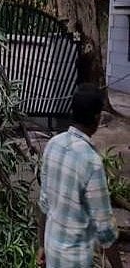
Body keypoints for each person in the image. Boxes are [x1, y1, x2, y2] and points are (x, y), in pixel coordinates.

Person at [37, 84, 123, 268]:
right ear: (96, 118)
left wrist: (41, 246)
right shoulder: (91, 162)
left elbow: (44, 203)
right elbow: (104, 228)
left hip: (52, 250)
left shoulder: (53, 145)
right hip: (75, 260)